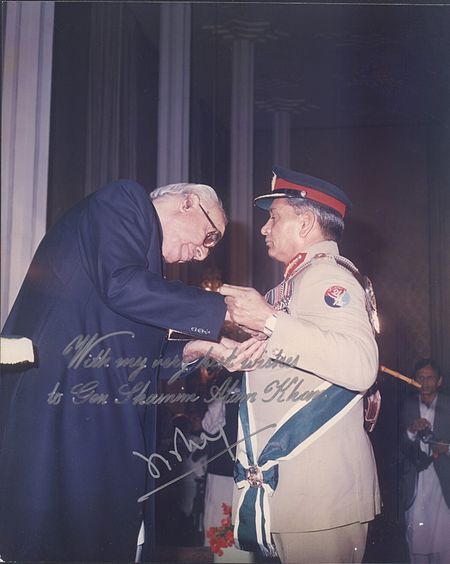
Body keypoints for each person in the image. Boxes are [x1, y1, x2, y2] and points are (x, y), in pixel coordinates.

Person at [0, 179, 263, 562]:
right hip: (61, 413)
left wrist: (197, 348)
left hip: (89, 419)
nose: (203, 254)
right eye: (209, 236)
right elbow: (119, 286)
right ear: (187, 202)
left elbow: (125, 347)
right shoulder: (124, 201)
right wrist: (223, 309)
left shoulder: (138, 263)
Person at [219, 165, 381, 563]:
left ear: (306, 224)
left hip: (321, 493)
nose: (263, 228)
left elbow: (360, 364)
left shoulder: (326, 277)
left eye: (274, 218)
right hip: (297, 490)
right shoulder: (294, 283)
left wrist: (270, 321)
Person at [400, 359, 450, 563]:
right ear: (414, 380)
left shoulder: (448, 405)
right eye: (420, 377)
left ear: (439, 381)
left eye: (429, 377)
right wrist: (411, 432)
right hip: (416, 482)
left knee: (445, 544)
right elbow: (396, 446)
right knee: (417, 545)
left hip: (444, 484)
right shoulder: (406, 405)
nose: (425, 382)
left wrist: (447, 448)